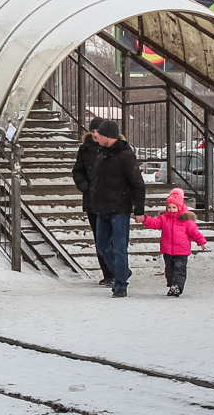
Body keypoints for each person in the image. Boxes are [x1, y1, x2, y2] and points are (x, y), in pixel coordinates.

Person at [89, 120, 146, 298]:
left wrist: (139, 210)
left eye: (99, 133)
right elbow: (97, 181)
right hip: (102, 208)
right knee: (102, 245)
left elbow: (138, 183)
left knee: (119, 247)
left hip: (120, 207)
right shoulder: (102, 154)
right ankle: (122, 272)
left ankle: (121, 284)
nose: (96, 136)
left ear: (108, 136)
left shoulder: (125, 155)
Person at [136, 188, 208, 297]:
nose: (171, 210)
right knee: (169, 270)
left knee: (179, 269)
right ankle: (172, 285)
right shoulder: (164, 218)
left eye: (174, 207)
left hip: (181, 250)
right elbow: (155, 223)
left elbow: (194, 232)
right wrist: (145, 219)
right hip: (168, 250)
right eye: (169, 207)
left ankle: (177, 286)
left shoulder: (186, 220)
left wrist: (201, 242)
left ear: (180, 207)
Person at [71, 117, 112, 286]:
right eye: (93, 131)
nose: (95, 134)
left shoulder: (113, 148)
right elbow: (78, 171)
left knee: (111, 237)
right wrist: (86, 188)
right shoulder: (85, 149)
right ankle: (108, 273)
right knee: (99, 239)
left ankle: (116, 271)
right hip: (92, 200)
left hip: (111, 199)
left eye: (98, 131)